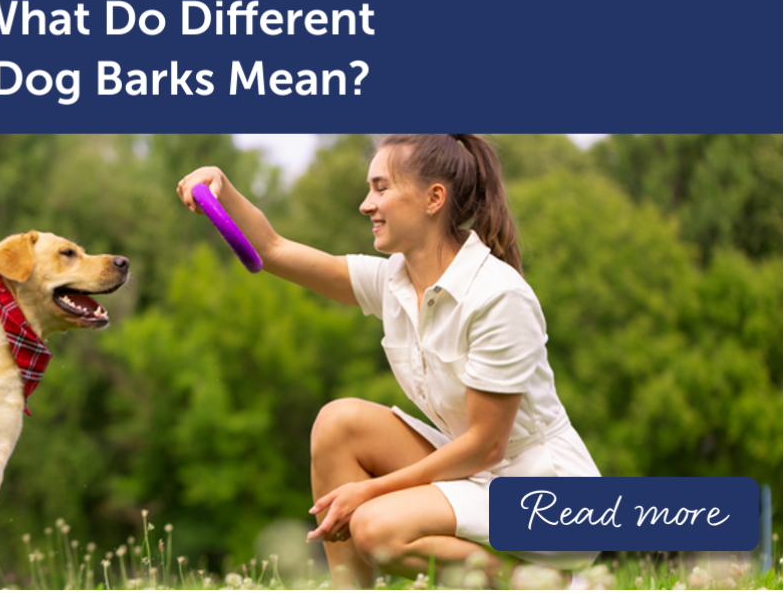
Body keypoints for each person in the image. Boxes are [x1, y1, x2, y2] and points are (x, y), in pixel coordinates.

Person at [176, 134, 601, 588]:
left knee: (377, 527)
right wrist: (223, 186)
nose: (366, 204)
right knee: (339, 424)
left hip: (550, 499)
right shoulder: (394, 281)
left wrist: (372, 490)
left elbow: (486, 447)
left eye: (381, 188)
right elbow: (275, 250)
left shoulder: (498, 295)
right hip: (480, 477)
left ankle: (546, 585)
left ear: (433, 198)